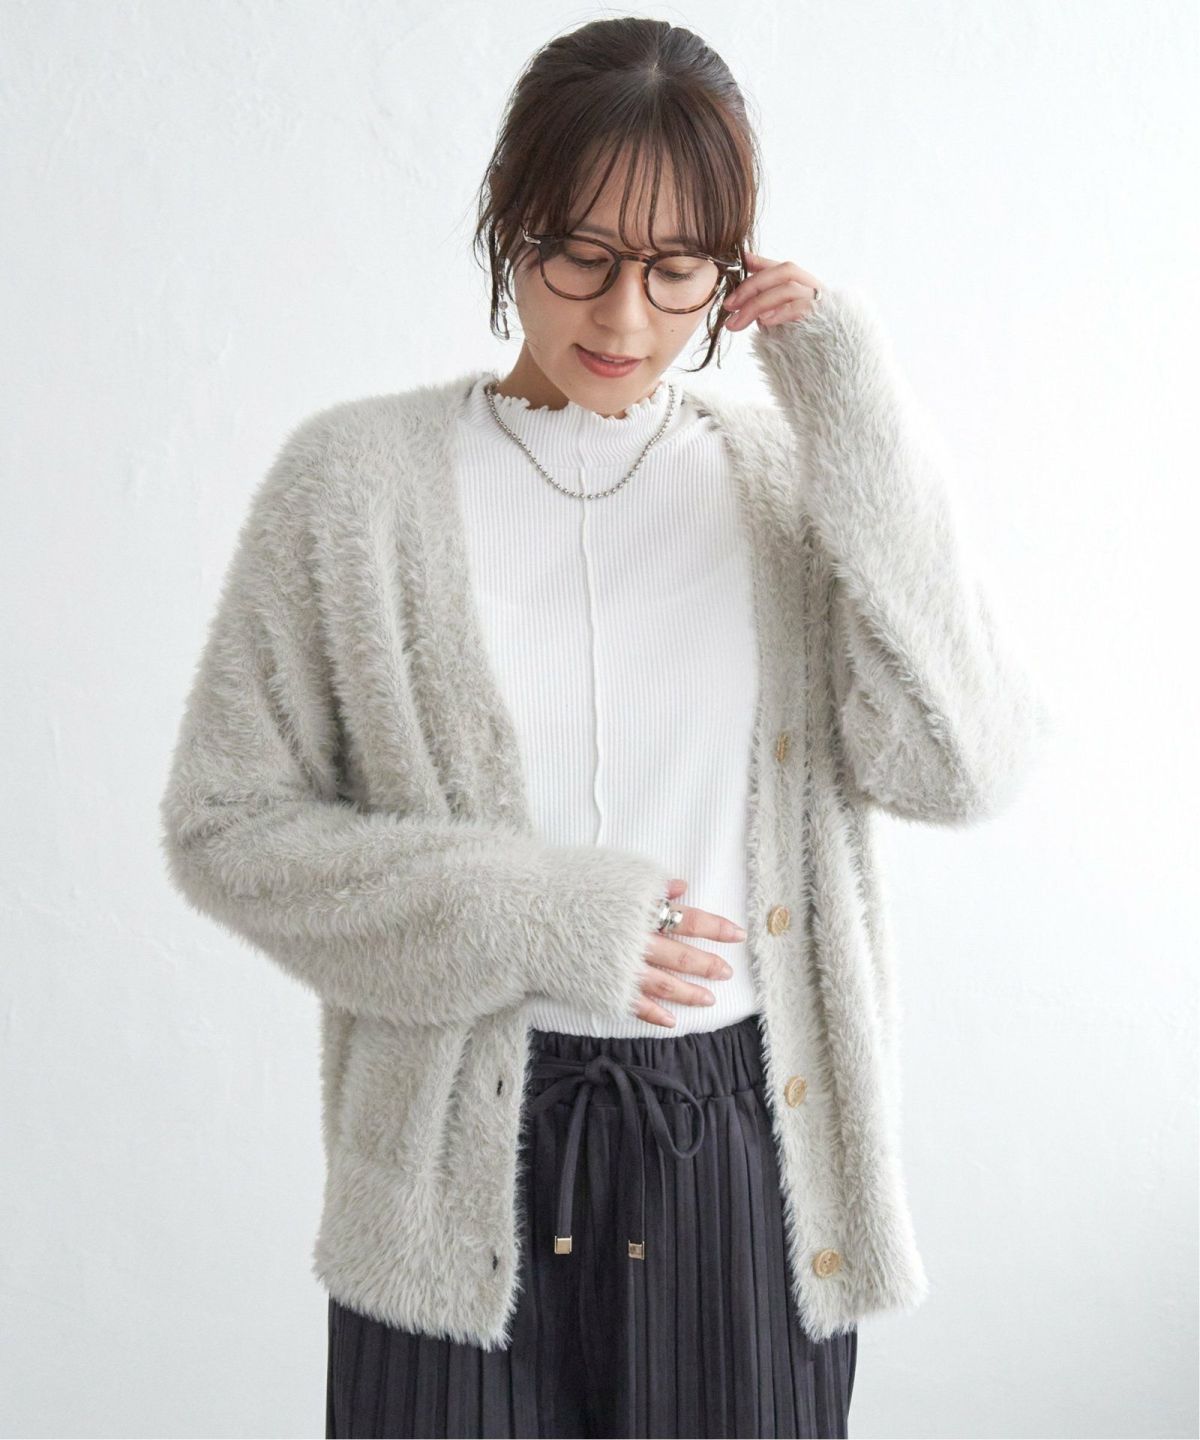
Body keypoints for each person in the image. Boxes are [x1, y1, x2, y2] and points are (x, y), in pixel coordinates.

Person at [160, 16, 1052, 1440]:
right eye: (577, 253)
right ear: (505, 221)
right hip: (450, 1169)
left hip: (745, 1157)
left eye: (676, 267)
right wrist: (540, 916)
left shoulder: (785, 486)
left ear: (732, 268)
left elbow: (964, 763)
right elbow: (226, 828)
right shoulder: (354, 486)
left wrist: (849, 400)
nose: (624, 317)